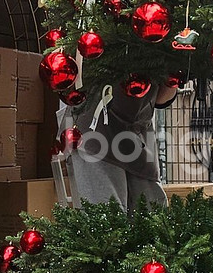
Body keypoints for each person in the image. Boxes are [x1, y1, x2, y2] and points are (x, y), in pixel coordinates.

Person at [66, 80, 179, 210]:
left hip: (138, 129)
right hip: (96, 128)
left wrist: (173, 79)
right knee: (106, 210)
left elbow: (162, 98)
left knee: (150, 208)